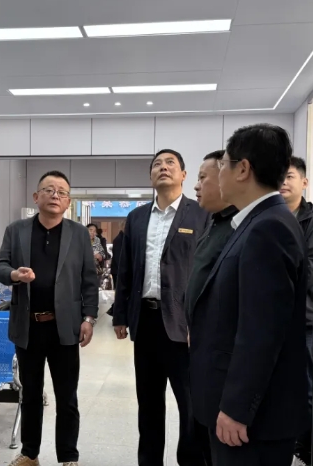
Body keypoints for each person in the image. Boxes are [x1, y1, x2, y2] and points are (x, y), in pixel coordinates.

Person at [188, 124, 308, 466]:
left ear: (243, 169)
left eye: (223, 165)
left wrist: (236, 408)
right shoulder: (257, 222)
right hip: (244, 409)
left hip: (253, 420)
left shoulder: (268, 228)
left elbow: (262, 332)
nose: (219, 175)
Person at [0, 170, 99, 466]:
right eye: (49, 190)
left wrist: (89, 317)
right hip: (28, 327)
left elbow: (89, 279)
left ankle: (68, 456)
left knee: (67, 396)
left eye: (62, 192)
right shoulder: (16, 230)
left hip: (65, 327)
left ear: (68, 202)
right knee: (30, 394)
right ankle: (30, 453)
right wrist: (14, 275)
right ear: (36, 197)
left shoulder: (78, 234)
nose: (55, 195)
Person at [113, 149, 210, 466]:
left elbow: (209, 272)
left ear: (184, 175)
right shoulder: (137, 217)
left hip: (185, 326)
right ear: (150, 176)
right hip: (146, 322)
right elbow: (125, 269)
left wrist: (202, 322)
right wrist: (120, 314)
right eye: (157, 164)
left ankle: (190, 462)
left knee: (190, 405)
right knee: (149, 403)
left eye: (170, 163)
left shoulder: (201, 214)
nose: (163, 168)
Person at [185, 149, 239, 465]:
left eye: (202, 177)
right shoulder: (216, 223)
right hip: (206, 352)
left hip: (226, 364)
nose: (196, 186)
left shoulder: (244, 228)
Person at [279, 156, 313, 465]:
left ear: (304, 182)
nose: (283, 181)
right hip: (273, 319)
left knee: (305, 386)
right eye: (280, 175)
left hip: (305, 319)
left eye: (290, 176)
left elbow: (312, 270)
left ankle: (304, 446)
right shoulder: (270, 215)